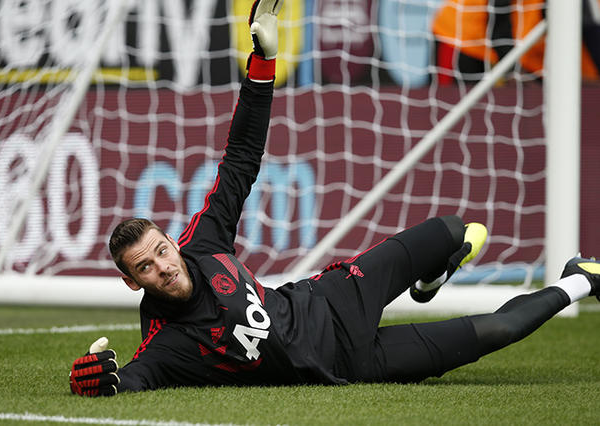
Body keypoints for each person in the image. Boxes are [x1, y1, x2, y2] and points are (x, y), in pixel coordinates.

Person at [69, 0, 600, 397]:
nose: (162, 266)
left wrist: (262, 62)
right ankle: (581, 278)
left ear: (170, 241)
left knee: (453, 230)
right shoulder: (165, 344)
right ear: (131, 281)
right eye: (145, 267)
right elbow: (130, 379)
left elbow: (241, 157)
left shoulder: (202, 243)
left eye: (161, 250)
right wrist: (91, 382)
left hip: (336, 296)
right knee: (498, 330)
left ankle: (429, 278)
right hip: (354, 362)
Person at [432, 0, 600, 84]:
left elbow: (586, 26)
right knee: (455, 110)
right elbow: (499, 20)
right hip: (460, 36)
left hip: (522, 44)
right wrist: (514, 71)